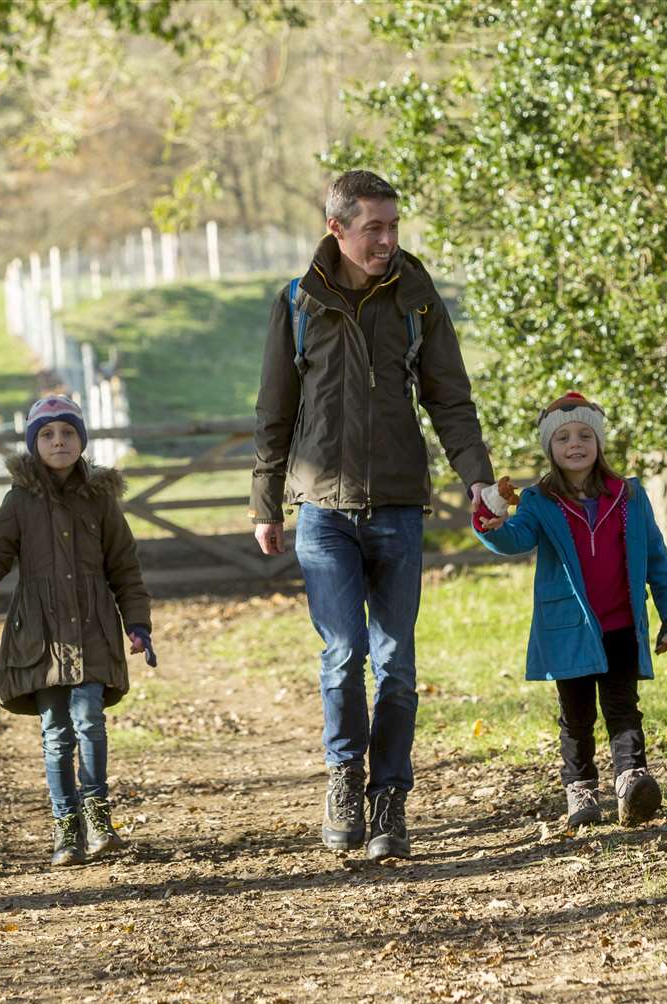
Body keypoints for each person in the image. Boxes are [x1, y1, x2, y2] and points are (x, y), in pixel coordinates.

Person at [251, 169, 495, 861]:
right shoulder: (298, 302)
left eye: (393, 227)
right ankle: (343, 779)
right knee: (343, 654)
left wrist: (476, 479)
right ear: (337, 229)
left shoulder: (417, 302)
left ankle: (390, 797)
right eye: (373, 229)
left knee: (395, 663)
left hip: (397, 507)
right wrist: (264, 500)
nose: (387, 240)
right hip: (322, 511)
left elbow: (450, 400)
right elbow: (274, 412)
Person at [0, 395, 153, 867]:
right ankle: (65, 826)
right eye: (48, 434)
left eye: (68, 433)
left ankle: (98, 816)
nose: (59, 442)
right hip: (40, 637)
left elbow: (125, 568)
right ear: (34, 444)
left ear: (81, 441)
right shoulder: (20, 502)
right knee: (56, 731)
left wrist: (137, 624)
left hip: (93, 630)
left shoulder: (101, 500)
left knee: (91, 722)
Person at [472, 392, 667, 827]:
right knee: (576, 715)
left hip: (622, 622)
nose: (575, 443)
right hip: (568, 626)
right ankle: (581, 790)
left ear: (599, 442)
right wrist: (488, 525)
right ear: (549, 447)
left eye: (585, 435)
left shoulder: (628, 495)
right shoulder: (538, 500)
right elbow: (514, 539)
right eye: (564, 437)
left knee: (624, 706)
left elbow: (657, 557)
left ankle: (632, 781)